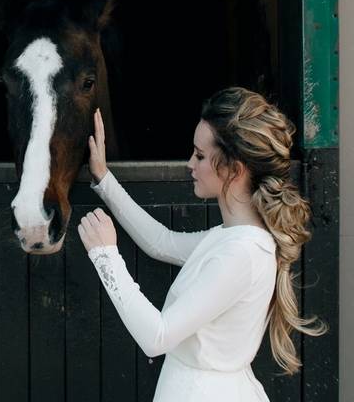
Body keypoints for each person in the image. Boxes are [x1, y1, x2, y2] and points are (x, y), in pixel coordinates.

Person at [77, 87, 328, 401]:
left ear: (233, 169)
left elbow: (157, 337)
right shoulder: (232, 236)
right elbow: (162, 243)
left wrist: (105, 256)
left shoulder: (243, 252)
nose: (190, 164)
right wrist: (104, 180)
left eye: (199, 155)